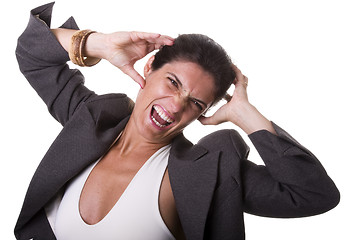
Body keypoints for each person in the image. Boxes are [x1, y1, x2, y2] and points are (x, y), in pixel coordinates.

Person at [14, 2, 340, 240]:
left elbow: (313, 195)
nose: (176, 105)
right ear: (150, 66)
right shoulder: (90, 119)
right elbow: (33, 54)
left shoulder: (207, 173)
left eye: (196, 102)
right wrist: (100, 43)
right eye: (172, 82)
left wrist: (246, 115)